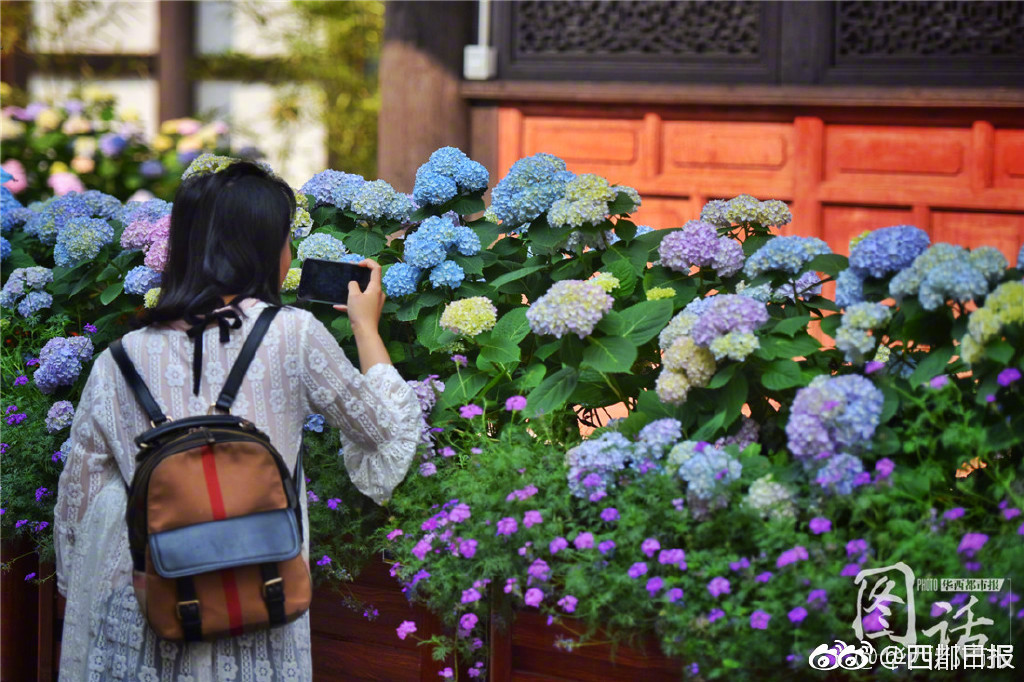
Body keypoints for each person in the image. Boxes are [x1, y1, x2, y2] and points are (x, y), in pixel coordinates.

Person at [54, 161, 421, 680]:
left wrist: (84, 592)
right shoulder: (293, 334)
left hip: (143, 599)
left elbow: (80, 497)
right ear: (263, 248)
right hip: (255, 590)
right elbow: (386, 430)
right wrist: (365, 327)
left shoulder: (120, 358)